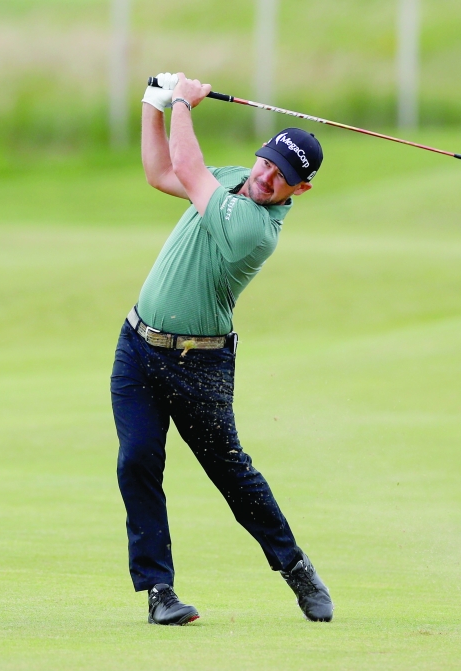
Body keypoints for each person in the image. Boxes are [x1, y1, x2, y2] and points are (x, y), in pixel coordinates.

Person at [110, 72, 333, 626]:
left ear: (297, 191)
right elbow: (163, 172)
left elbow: (188, 167)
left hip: (200, 363)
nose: (266, 176)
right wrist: (153, 105)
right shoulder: (233, 179)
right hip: (137, 347)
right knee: (137, 461)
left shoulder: (258, 229)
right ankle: (159, 591)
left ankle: (296, 567)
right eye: (266, 162)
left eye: (282, 177)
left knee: (231, 474)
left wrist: (184, 101)